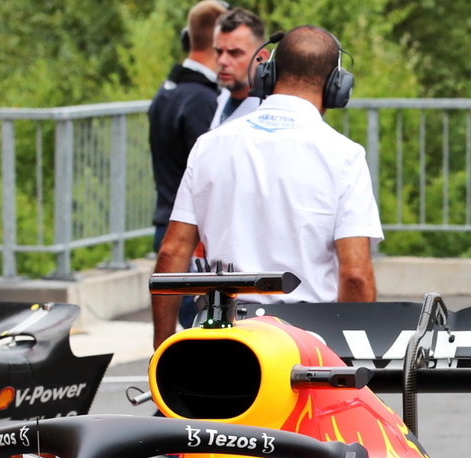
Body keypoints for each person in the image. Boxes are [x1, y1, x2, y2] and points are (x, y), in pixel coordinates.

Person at [152, 26, 383, 345]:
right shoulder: (344, 155)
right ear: (337, 86)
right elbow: (355, 276)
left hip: (222, 331)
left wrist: (161, 346)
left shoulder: (210, 145)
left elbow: (172, 252)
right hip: (308, 340)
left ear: (267, 74)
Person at [149, 0, 228, 251]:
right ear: (219, 40)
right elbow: (208, 178)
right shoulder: (201, 99)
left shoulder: (168, 90)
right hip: (189, 236)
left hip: (168, 223)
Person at [211, 7, 267, 127]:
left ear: (261, 57)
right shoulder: (222, 96)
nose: (222, 61)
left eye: (235, 53)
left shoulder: (267, 114)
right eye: (218, 51)